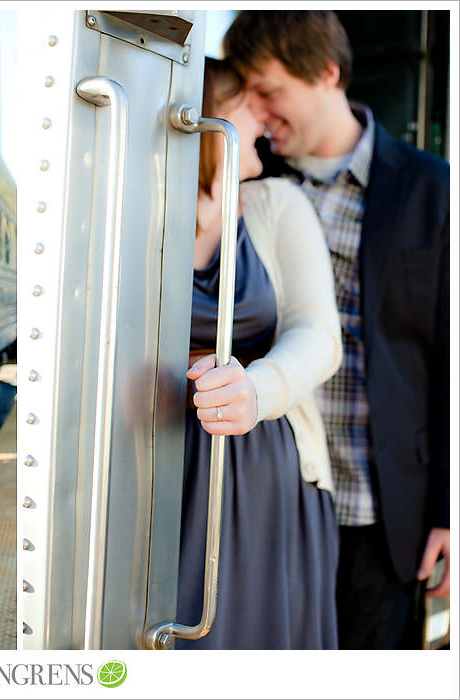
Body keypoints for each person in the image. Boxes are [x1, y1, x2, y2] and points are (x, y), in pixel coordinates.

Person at [223, 10, 450, 649]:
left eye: (269, 91)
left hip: (386, 510)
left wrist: (448, 511)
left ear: (327, 73)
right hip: (276, 497)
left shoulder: (434, 190)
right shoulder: (246, 180)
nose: (260, 113)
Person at [175, 57, 342, 649]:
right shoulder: (140, 217)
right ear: (208, 122)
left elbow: (320, 336)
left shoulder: (277, 205)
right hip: (168, 480)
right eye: (251, 104)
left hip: (270, 477)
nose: (267, 117)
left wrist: (256, 390)